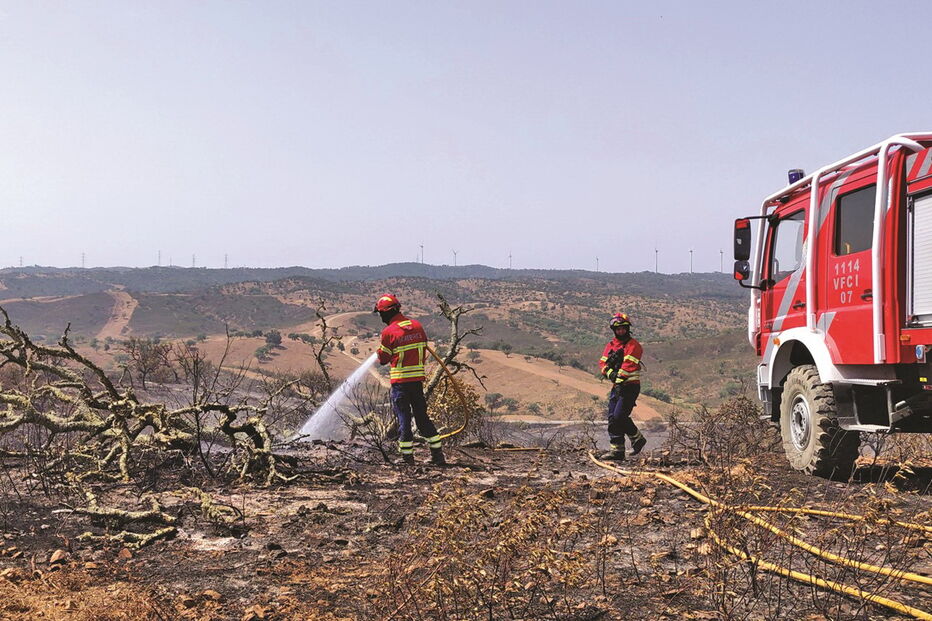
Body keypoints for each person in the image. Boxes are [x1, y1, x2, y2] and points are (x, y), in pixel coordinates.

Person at [374, 294, 446, 466]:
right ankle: (438, 456)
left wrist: (379, 352)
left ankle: (407, 458)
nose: (381, 317)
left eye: (381, 313)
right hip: (417, 382)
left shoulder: (389, 332)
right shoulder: (417, 326)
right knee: (422, 418)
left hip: (400, 384)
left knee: (404, 419)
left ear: (387, 312)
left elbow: (383, 359)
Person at [598, 312, 646, 460]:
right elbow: (602, 363)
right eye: (618, 329)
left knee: (619, 416)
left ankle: (637, 439)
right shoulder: (611, 345)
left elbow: (628, 366)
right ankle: (617, 451)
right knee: (612, 418)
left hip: (630, 386)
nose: (621, 331)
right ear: (614, 330)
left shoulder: (633, 345)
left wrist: (618, 378)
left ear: (627, 329)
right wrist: (610, 373)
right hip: (617, 386)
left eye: (623, 328)